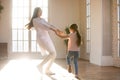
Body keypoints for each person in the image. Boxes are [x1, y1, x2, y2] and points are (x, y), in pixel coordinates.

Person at [25, 7, 57, 75]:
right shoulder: (35, 20)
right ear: (36, 12)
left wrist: (56, 28)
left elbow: (48, 24)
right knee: (52, 53)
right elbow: (43, 26)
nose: (41, 12)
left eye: (41, 11)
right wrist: (53, 29)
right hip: (42, 38)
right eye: (40, 11)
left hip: (47, 37)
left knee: (54, 54)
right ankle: (40, 66)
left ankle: (47, 69)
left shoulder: (42, 19)